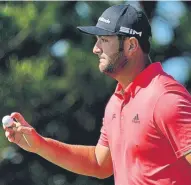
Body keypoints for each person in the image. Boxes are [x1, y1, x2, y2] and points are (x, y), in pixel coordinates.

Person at [3, 4, 191, 185]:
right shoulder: (117, 101)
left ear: (131, 45)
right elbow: (99, 163)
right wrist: (40, 145)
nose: (96, 48)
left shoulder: (165, 98)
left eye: (105, 40)